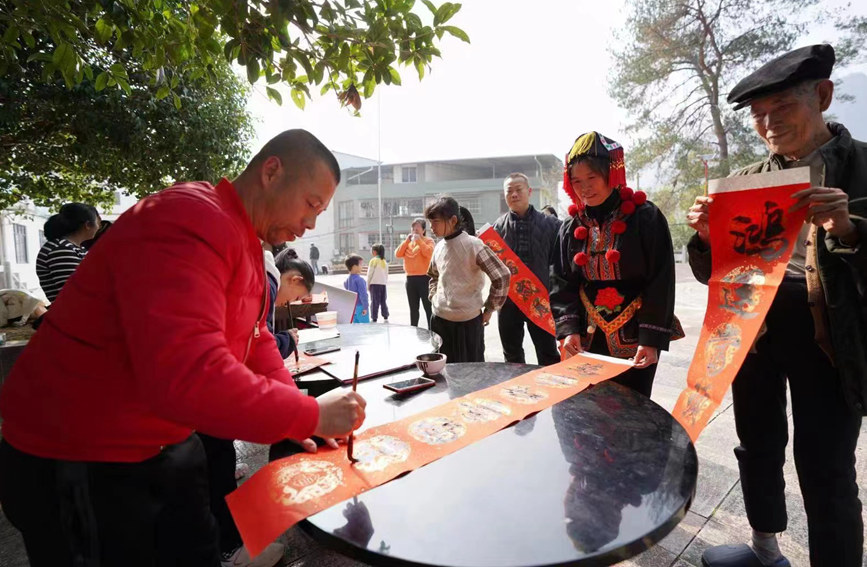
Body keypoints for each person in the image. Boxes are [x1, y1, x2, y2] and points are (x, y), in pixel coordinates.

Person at [0, 129, 367, 567]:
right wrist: (310, 413)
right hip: (80, 452)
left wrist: (294, 409)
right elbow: (188, 373)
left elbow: (255, 338)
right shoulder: (191, 219)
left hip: (162, 441)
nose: (311, 223)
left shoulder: (246, 241)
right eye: (311, 204)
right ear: (272, 171)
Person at [687, 45, 867, 567]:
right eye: (758, 115)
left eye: (781, 108)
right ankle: (765, 547)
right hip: (756, 335)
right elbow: (712, 273)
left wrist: (849, 230)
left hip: (831, 339)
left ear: (823, 96)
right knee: (757, 444)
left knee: (827, 465)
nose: (768, 125)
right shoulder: (748, 180)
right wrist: (705, 237)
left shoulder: (861, 169)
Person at [201, 247, 317, 567]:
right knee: (215, 464)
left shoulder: (255, 267)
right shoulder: (263, 280)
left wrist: (299, 408)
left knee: (214, 458)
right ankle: (230, 551)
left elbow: (260, 341)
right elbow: (245, 348)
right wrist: (299, 411)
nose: (286, 304)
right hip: (201, 391)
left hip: (202, 388)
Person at [550, 131, 680, 398]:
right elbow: (561, 281)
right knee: (587, 403)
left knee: (633, 404)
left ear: (611, 173)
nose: (584, 188)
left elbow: (661, 281)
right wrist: (568, 330)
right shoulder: (570, 227)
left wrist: (651, 339)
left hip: (634, 333)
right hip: (586, 334)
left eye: (592, 178)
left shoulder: (645, 217)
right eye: (576, 181)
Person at [425, 196, 510, 362]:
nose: (431, 227)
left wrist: (489, 309)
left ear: (453, 220)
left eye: (435, 221)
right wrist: (434, 297)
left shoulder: (473, 245)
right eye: (430, 222)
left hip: (467, 322)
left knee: (471, 373)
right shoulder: (439, 247)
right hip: (439, 319)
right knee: (443, 370)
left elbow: (502, 276)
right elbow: (433, 276)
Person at [492, 172, 562, 366]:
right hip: (508, 303)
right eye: (509, 191)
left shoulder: (552, 225)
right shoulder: (496, 229)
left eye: (518, 190)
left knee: (548, 354)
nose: (514, 195)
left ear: (529, 191)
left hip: (540, 301)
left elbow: (561, 265)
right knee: (512, 356)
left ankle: (555, 393)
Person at [36, 203, 100, 303]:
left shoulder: (77, 248)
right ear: (87, 225)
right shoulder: (61, 250)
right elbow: (76, 294)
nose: (98, 227)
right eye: (98, 222)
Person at [395, 218, 435, 328]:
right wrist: (407, 241)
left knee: (428, 307)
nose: (414, 231)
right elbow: (398, 254)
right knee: (413, 308)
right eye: (413, 229)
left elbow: (429, 253)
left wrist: (419, 241)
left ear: (423, 230)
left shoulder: (428, 240)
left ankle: (431, 331)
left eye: (417, 229)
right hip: (410, 279)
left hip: (424, 278)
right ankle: (413, 329)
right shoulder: (408, 243)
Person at [344, 254, 370, 323]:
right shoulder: (360, 280)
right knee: (365, 327)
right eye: (361, 265)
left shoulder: (348, 279)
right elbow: (363, 295)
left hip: (353, 307)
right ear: (355, 267)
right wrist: (365, 307)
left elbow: (346, 287)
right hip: (361, 307)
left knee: (356, 327)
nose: (362, 266)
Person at [367, 244, 389, 323]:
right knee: (383, 300)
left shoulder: (373, 260)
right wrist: (384, 282)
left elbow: (370, 273)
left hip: (374, 284)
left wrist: (368, 284)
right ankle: (385, 315)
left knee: (374, 301)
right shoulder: (384, 261)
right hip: (383, 284)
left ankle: (374, 317)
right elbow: (386, 274)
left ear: (375, 251)